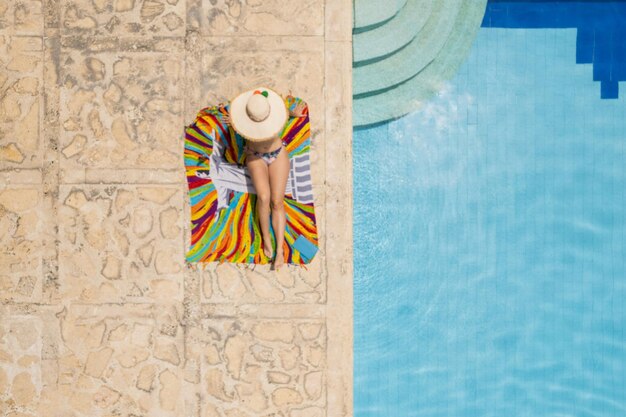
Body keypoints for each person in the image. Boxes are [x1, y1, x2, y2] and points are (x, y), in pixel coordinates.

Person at [220, 87, 307, 270]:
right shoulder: (245, 114)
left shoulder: (273, 109)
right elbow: (236, 119)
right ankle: (267, 239)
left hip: (278, 153)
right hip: (255, 155)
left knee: (277, 202)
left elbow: (283, 111)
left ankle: (280, 251)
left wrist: (294, 114)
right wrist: (233, 123)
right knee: (264, 198)